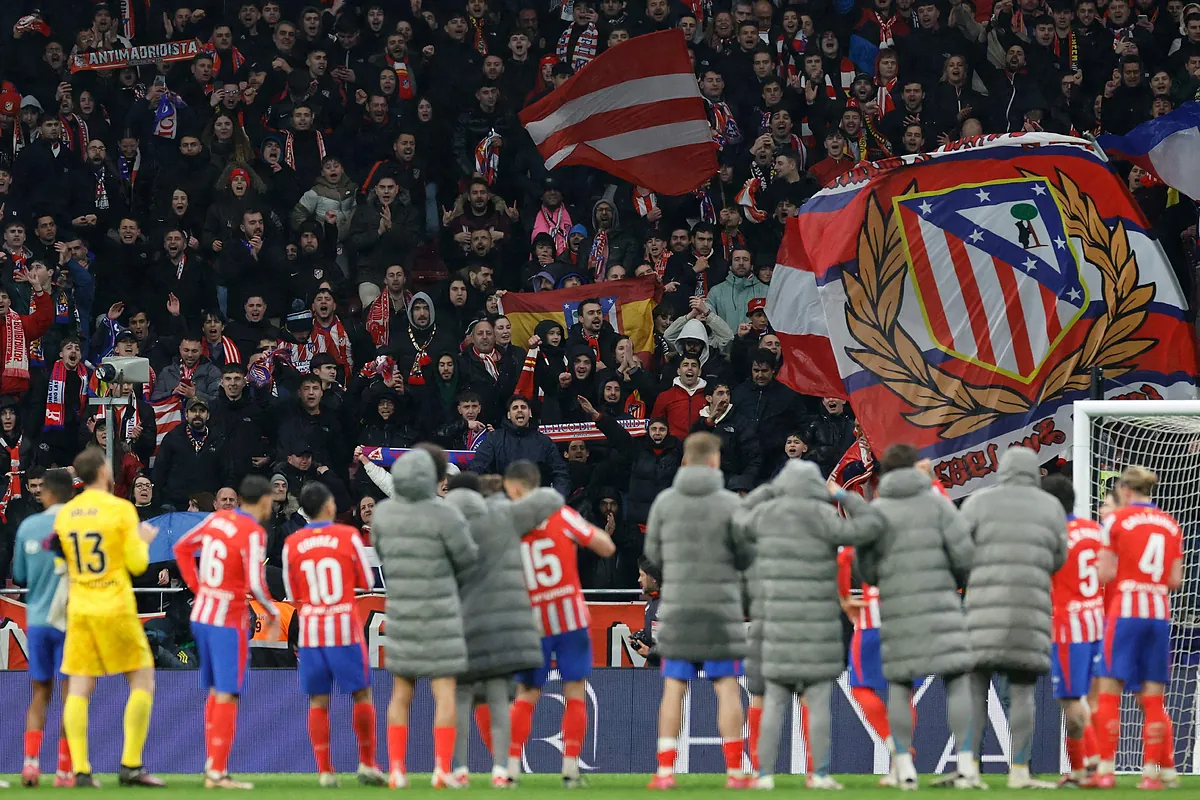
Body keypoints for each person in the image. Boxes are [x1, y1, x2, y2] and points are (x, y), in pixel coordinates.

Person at [738, 459, 884, 790]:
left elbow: (735, 518)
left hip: (777, 625)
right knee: (817, 703)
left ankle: (763, 776)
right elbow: (871, 525)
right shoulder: (826, 517)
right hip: (820, 627)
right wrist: (844, 497)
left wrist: (767, 491)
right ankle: (818, 775)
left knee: (774, 700)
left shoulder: (766, 517)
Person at [645, 432, 755, 789]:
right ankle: (735, 772)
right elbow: (745, 555)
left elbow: (654, 556)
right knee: (726, 686)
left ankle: (664, 772)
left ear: (684, 461)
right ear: (714, 461)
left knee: (674, 686)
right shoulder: (730, 505)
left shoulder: (664, 503)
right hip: (721, 610)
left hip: (677, 608)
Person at [861, 444, 975, 790]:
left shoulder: (876, 512)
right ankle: (967, 766)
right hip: (941, 603)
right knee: (956, 681)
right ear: (916, 469)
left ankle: (904, 766)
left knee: (899, 684)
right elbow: (966, 556)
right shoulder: (939, 506)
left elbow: (864, 568)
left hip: (897, 609)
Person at [442, 470, 563, 787]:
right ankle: (502, 770)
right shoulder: (505, 517)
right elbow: (552, 498)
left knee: (460, 698)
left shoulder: (449, 525)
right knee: (498, 699)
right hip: (501, 626)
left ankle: (459, 771)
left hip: (463, 624)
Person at [54, 447, 164, 788]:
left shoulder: (65, 515)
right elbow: (136, 565)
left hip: (81, 608)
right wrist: (144, 541)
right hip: (115, 605)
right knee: (142, 679)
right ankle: (130, 765)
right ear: (103, 471)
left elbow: (62, 567)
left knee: (79, 687)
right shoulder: (121, 510)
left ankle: (82, 770)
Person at [503, 459, 615, 788]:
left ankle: (510, 769)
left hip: (530, 620)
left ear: (515, 488)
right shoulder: (561, 514)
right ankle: (570, 769)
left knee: (525, 694)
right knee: (575, 692)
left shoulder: (508, 525)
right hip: (570, 617)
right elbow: (606, 547)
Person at [959, 446, 1067, 789]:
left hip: (980, 611)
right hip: (1028, 613)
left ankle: (969, 770)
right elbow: (1060, 557)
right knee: (1020, 694)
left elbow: (959, 553)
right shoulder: (1049, 507)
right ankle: (1020, 771)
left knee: (974, 691)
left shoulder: (977, 502)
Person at [372, 445, 478, 789]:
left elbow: (382, 550)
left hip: (401, 612)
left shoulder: (385, 514)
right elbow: (467, 559)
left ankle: (397, 771)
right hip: (442, 613)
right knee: (444, 691)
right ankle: (441, 770)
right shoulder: (446, 513)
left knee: (400, 693)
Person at [172, 475, 279, 789]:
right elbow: (257, 584)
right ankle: (218, 772)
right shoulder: (253, 532)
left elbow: (181, 548)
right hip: (227, 619)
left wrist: (198, 586)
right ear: (261, 501)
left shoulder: (215, 520)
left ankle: (212, 766)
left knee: (217, 691)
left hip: (202, 614)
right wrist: (272, 611)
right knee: (229, 692)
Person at [282, 482, 385, 788]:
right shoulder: (348, 535)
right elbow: (366, 580)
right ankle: (367, 764)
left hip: (312, 629)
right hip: (343, 626)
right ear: (328, 507)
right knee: (362, 694)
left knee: (318, 701)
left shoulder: (293, 543)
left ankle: (325, 771)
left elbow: (292, 593)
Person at [1092, 466, 1184, 790]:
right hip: (1159, 613)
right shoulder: (1171, 524)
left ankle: (1105, 770)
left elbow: (1104, 573)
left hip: (1126, 611)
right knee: (1153, 698)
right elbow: (1175, 580)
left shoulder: (1115, 521)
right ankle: (1151, 774)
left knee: (1109, 691)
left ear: (1125, 491)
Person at [1041, 474, 1105, 788]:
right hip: (1097, 620)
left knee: (1070, 699)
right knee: (1090, 701)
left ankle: (1094, 767)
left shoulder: (1052, 536)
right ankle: (1081, 771)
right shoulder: (1096, 530)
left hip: (1068, 626)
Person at [13, 468, 75, 788]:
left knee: (40, 693)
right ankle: (64, 771)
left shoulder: (28, 526)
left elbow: (20, 575)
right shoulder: (81, 527)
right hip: (71, 621)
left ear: (47, 493)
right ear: (71, 493)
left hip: (37, 621)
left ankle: (31, 765)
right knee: (70, 696)